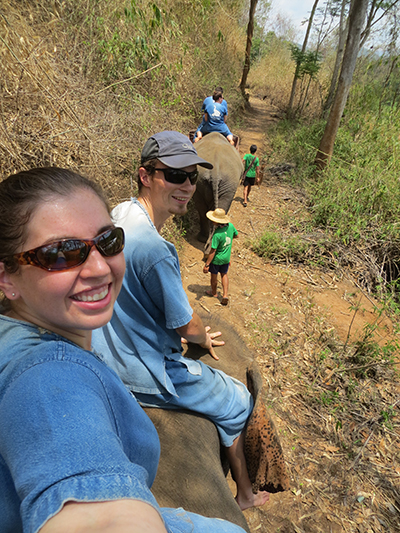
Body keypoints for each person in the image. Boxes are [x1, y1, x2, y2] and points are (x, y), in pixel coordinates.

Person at [0, 167, 248, 533]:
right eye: (62, 253)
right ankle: (246, 491)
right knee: (238, 401)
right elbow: (96, 514)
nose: (99, 267)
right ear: (6, 278)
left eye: (109, 241)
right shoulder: (47, 374)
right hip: (152, 372)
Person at [92, 131, 269, 510]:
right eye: (174, 176)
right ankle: (246, 494)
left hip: (106, 353)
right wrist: (202, 337)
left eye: (191, 176)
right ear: (145, 175)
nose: (187, 185)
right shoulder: (157, 251)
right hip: (142, 371)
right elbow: (185, 326)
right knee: (238, 400)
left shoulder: (120, 213)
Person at [203, 208, 238, 306]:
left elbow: (213, 251)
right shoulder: (230, 226)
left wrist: (207, 264)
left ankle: (214, 293)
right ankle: (225, 295)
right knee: (224, 274)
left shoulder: (217, 234)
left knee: (214, 276)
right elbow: (236, 235)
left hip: (217, 259)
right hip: (227, 258)